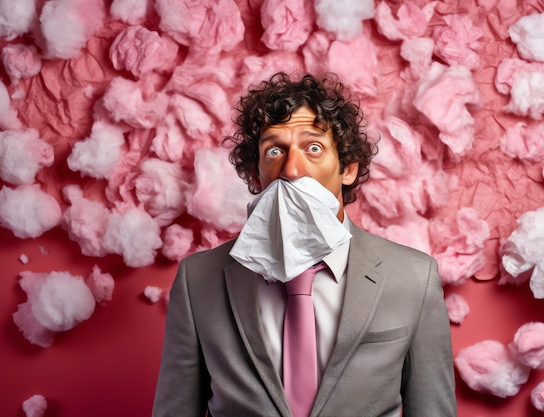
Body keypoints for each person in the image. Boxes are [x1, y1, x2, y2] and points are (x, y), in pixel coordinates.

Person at [152, 72, 456, 417]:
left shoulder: (414, 277)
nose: (293, 169)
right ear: (256, 176)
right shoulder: (198, 279)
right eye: (274, 150)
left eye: (313, 148)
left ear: (348, 169)